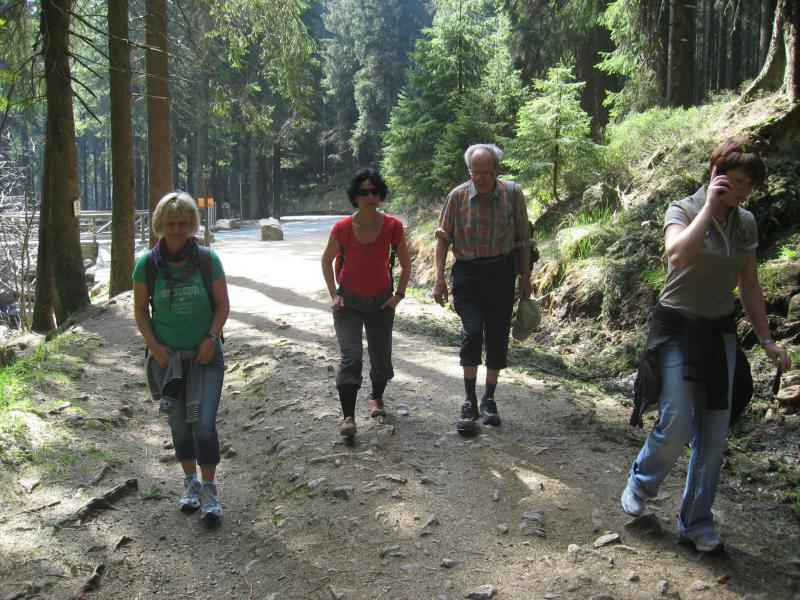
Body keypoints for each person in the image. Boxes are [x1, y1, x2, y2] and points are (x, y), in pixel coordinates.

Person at [622, 140, 791, 552]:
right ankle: (641, 483)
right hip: (676, 326)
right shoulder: (682, 209)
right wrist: (710, 208)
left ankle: (697, 521)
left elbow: (749, 285)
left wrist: (767, 340)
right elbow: (678, 256)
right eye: (737, 182)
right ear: (716, 174)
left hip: (719, 331)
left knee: (713, 437)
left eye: (749, 185)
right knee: (677, 422)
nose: (743, 191)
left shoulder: (746, 223)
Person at [133, 191, 230, 521]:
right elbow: (140, 310)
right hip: (168, 361)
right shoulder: (147, 265)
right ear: (160, 224)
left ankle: (210, 488)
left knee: (203, 424)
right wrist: (154, 346)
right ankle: (190, 483)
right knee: (178, 424)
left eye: (182, 223)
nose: (176, 230)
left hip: (206, 356)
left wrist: (211, 338)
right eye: (170, 223)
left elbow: (223, 305)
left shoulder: (206, 260)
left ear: (191, 225)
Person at [433, 143, 534, 433]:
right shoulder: (457, 196)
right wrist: (439, 278)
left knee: (498, 336)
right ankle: (469, 402)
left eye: (485, 174)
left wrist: (525, 276)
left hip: (501, 272)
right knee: (473, 332)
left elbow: (523, 239)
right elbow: (443, 238)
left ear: (496, 170)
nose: (479, 179)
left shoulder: (512, 194)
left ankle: (489, 399)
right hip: (467, 273)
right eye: (474, 173)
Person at [321, 168, 411, 438]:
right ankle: (348, 417)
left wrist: (398, 296)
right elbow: (326, 261)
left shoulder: (393, 227)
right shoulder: (343, 228)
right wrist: (334, 295)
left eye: (374, 191)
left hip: (382, 302)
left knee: (381, 356)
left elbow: (406, 265)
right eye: (364, 192)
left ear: (381, 195)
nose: (370, 197)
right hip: (348, 303)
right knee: (351, 358)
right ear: (355, 197)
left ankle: (377, 399)